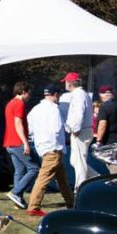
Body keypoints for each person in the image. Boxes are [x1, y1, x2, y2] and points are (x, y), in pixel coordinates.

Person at [26, 86, 71, 215]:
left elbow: (29, 129)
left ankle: (71, 202)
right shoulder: (54, 109)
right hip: (54, 147)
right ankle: (33, 207)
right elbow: (57, 128)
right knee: (44, 178)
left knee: (62, 178)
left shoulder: (36, 109)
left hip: (43, 147)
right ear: (56, 94)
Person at [4, 80, 38, 200]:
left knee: (19, 170)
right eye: (29, 93)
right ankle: (15, 192)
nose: (29, 96)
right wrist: (25, 143)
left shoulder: (10, 103)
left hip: (9, 142)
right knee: (34, 169)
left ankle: (18, 198)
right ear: (23, 92)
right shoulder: (19, 104)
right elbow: (18, 124)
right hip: (18, 142)